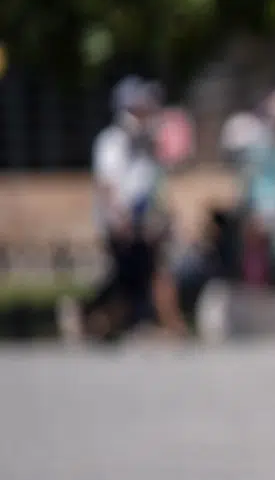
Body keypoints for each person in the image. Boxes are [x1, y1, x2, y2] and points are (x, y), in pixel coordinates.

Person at [62, 76, 188, 342]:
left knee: (140, 274)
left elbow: (152, 184)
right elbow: (107, 185)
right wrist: (120, 218)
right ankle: (93, 315)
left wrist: (163, 213)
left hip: (144, 222)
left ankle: (101, 317)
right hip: (121, 223)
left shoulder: (146, 144)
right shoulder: (112, 142)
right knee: (129, 276)